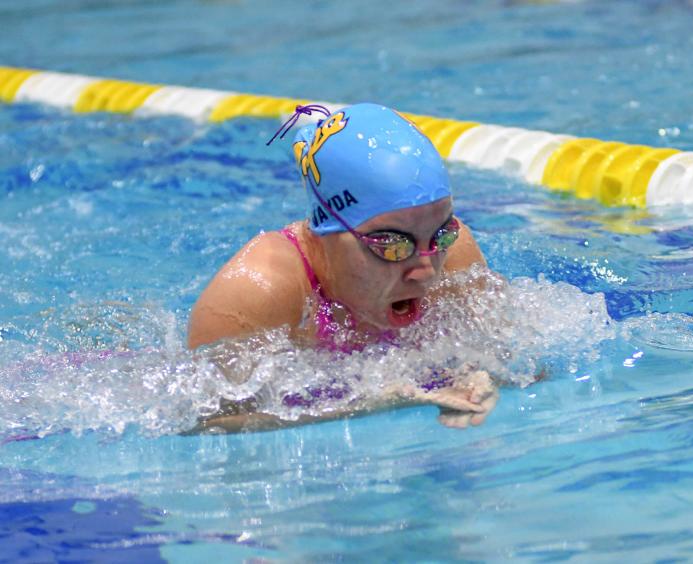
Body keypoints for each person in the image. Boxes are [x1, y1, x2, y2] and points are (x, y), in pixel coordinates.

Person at [188, 103, 498, 431]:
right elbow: (205, 422)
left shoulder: (453, 251)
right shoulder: (258, 293)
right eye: (392, 244)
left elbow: (521, 364)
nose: (427, 269)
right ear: (328, 230)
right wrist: (375, 401)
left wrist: (482, 376)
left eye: (442, 232)